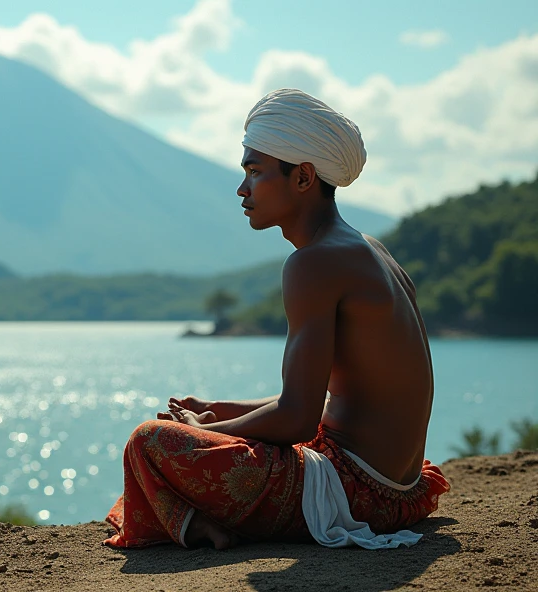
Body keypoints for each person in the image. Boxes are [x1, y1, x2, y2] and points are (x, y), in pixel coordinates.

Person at [104, 89, 450, 550]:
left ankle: (194, 527)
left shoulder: (313, 263)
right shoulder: (370, 250)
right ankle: (196, 521)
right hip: (403, 491)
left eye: (255, 171)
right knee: (164, 456)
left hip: (353, 494)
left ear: (303, 177)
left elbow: (298, 421)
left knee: (147, 443)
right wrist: (222, 409)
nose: (242, 189)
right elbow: (332, 395)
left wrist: (203, 432)